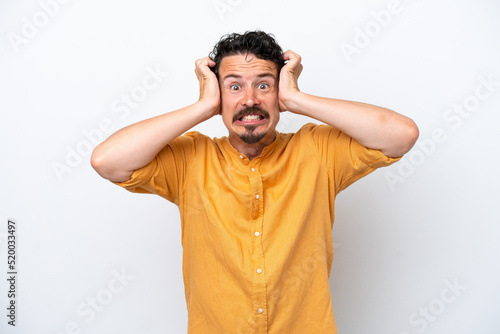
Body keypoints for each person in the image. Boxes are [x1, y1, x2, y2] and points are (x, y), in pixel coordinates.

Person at [91, 30, 419, 333]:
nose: (250, 99)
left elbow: (401, 135)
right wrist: (203, 106)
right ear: (218, 94)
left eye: (264, 85)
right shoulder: (190, 159)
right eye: (234, 86)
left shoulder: (317, 151)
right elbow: (108, 160)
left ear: (280, 93)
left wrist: (298, 99)